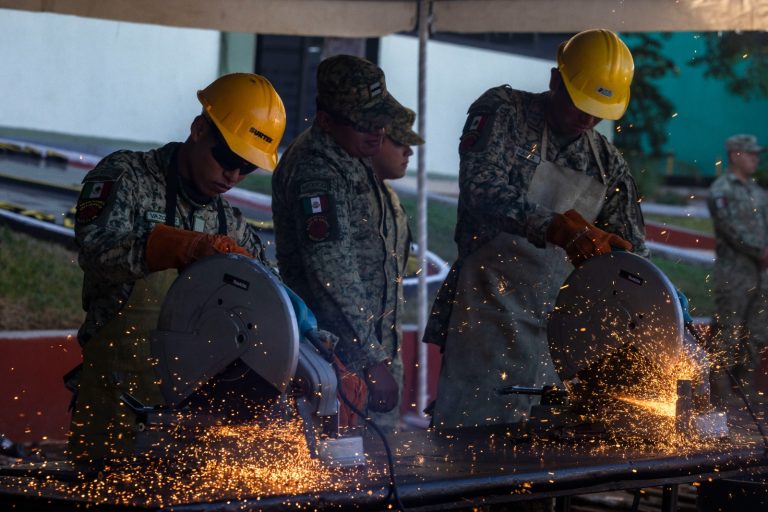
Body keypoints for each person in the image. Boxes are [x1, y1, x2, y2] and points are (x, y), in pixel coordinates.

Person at [424, 29, 648, 429]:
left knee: (541, 459)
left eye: (599, 110)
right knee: (471, 452)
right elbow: (481, 190)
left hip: (558, 332)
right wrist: (555, 228)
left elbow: (633, 257)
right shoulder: (503, 112)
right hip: (486, 317)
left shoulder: (606, 162)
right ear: (554, 80)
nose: (588, 117)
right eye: (581, 103)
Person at [68, 73, 287, 462]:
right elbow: (96, 253)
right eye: (228, 159)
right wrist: (175, 247)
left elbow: (271, 297)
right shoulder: (125, 177)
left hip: (193, 412)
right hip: (117, 396)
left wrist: (313, 335)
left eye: (246, 168)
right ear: (200, 128)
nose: (233, 176)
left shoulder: (230, 223)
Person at [271, 54, 410, 432]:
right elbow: (332, 271)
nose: (378, 131)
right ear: (325, 119)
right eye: (364, 122)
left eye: (381, 118)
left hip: (365, 354)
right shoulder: (317, 169)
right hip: (336, 363)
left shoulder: (352, 153)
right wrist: (372, 361)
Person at [707, 134, 768, 403]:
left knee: (756, 331)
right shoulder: (722, 190)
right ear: (735, 155)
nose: (756, 158)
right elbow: (730, 228)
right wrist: (761, 250)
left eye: (757, 154)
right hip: (734, 272)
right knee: (728, 330)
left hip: (761, 272)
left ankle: (744, 386)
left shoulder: (757, 192)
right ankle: (719, 389)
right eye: (751, 153)